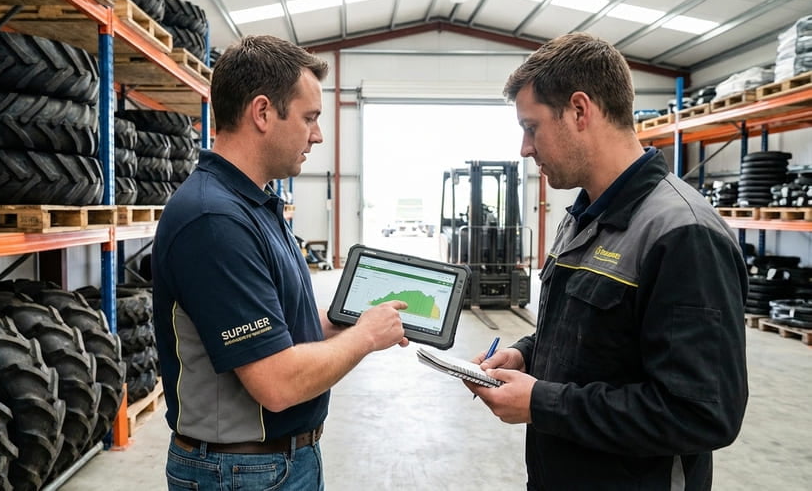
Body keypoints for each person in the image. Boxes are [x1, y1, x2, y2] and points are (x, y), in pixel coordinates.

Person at [466, 32, 749, 490]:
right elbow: (585, 334)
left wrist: (543, 404)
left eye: (531, 126)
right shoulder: (582, 217)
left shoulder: (683, 234)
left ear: (580, 111)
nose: (524, 148)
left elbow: (702, 413)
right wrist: (524, 354)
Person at [151, 35, 409, 490]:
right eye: (310, 117)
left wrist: (342, 323)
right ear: (263, 112)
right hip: (241, 472)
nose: (318, 134)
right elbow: (277, 384)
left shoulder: (255, 205)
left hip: (275, 463)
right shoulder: (214, 220)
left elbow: (280, 331)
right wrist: (365, 337)